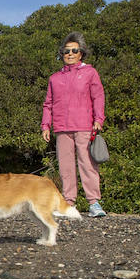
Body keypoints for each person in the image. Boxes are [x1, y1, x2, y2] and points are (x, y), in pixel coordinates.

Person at [41, 32, 106, 217]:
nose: (70, 53)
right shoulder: (54, 78)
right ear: (61, 53)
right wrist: (45, 125)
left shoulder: (90, 72)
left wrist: (98, 119)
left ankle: (94, 203)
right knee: (65, 167)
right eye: (66, 50)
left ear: (81, 53)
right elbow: (48, 103)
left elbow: (98, 96)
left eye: (74, 50)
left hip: (84, 125)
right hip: (62, 127)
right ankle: (68, 203)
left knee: (88, 164)